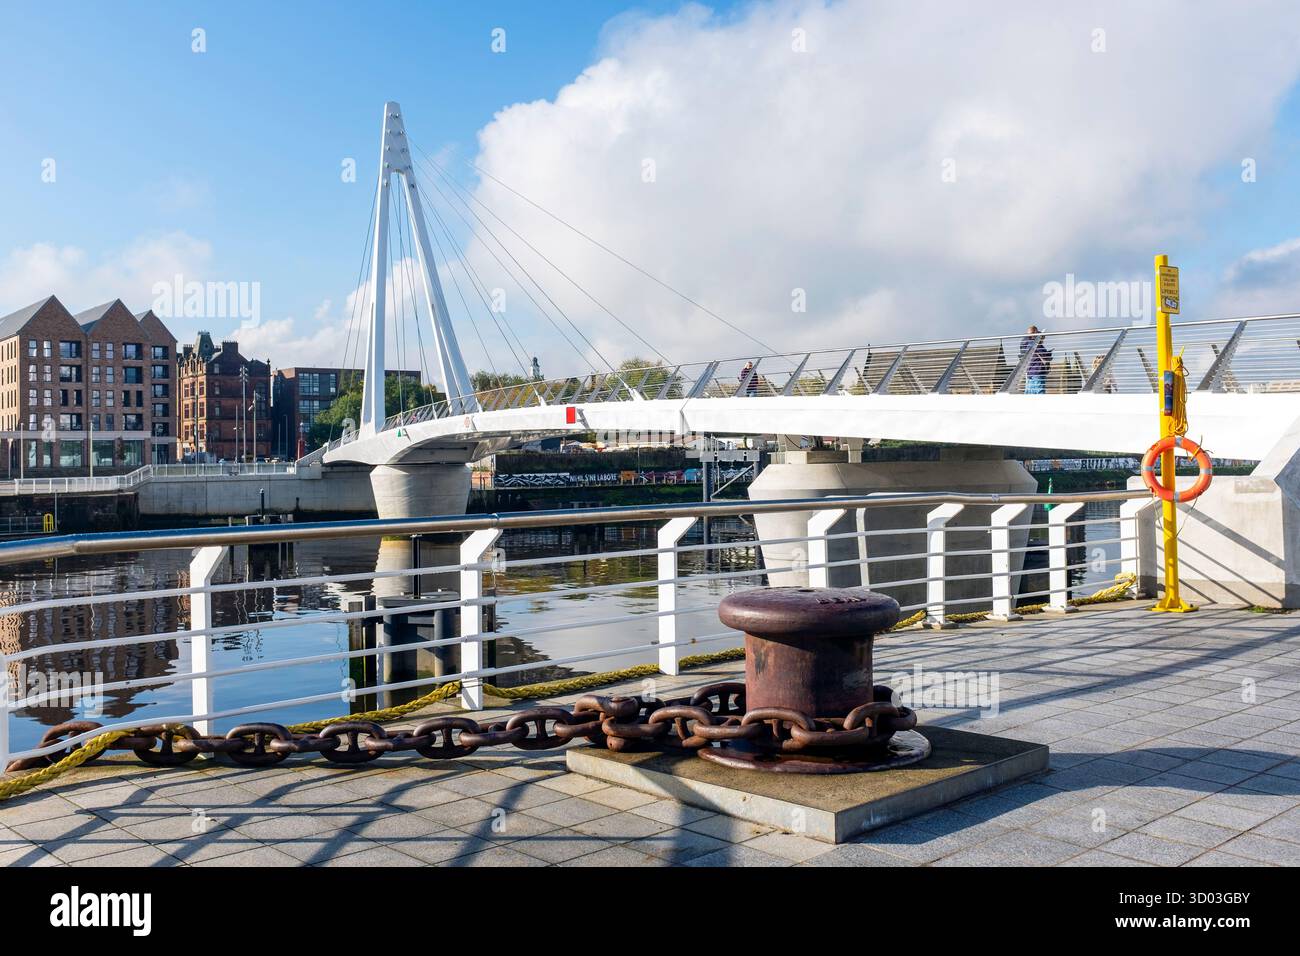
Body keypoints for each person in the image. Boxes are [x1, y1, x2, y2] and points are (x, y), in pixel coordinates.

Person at [1019, 325, 1053, 394]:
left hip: (1030, 373)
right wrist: (1049, 354)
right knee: (1040, 392)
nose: (1042, 340)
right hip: (1037, 372)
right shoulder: (1035, 344)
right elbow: (1044, 355)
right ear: (1035, 333)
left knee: (1030, 393)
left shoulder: (1026, 344)